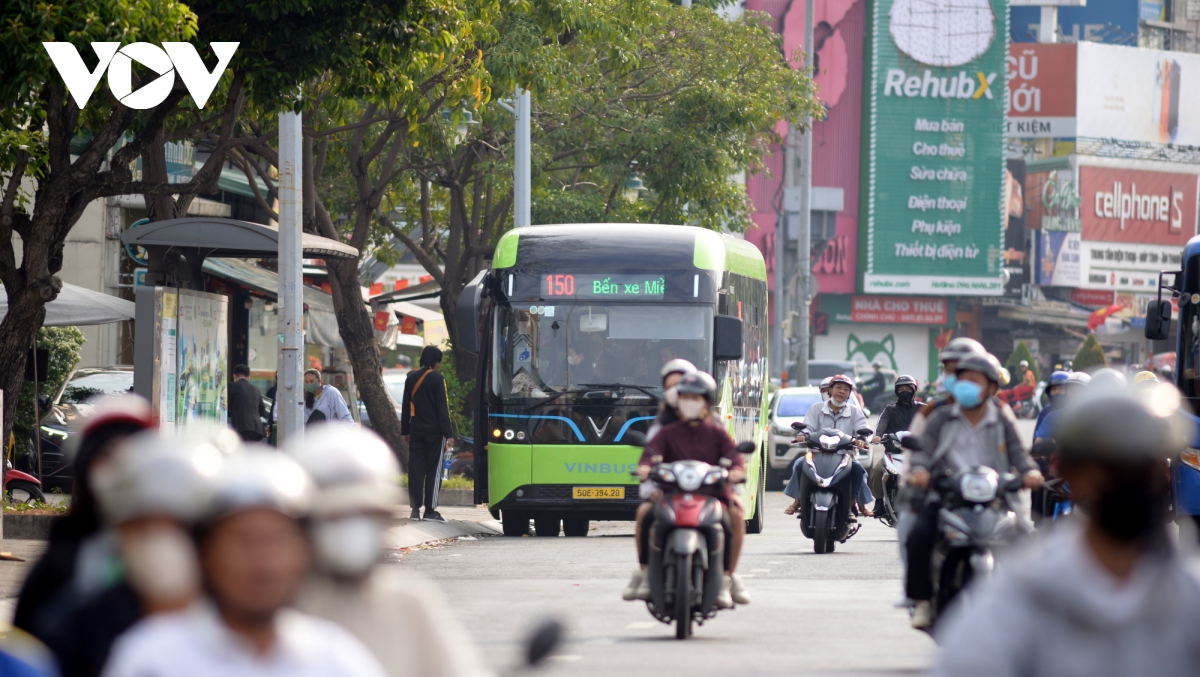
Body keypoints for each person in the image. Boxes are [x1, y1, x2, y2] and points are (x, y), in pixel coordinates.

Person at [934, 385, 1200, 677]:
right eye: (1113, 468)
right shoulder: (1023, 594)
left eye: (1143, 466)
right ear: (1074, 474)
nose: (1130, 481)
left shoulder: (1189, 596)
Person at [102, 451, 387, 677]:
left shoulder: (338, 660)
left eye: (277, 541)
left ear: (305, 554)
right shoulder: (152, 661)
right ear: (205, 554)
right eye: (241, 541)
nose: (262, 562)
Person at [290, 424, 489, 677]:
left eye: (364, 515)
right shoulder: (274, 607)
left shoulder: (407, 603)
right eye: (336, 517)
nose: (351, 530)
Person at [45, 430, 223, 677]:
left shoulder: (244, 615)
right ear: (120, 531)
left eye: (177, 525)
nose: (161, 540)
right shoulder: (77, 625)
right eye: (144, 526)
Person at [905, 353, 1044, 628]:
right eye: (962, 379)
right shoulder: (941, 417)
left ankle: (1032, 606)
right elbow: (923, 451)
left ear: (992, 387)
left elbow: (1018, 452)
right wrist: (920, 471)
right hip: (947, 494)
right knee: (918, 535)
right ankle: (920, 599)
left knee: (1027, 540)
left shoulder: (1002, 418)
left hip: (995, 497)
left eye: (974, 380)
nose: (966, 385)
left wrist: (1030, 472)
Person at [14, 396, 155, 642]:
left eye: (132, 456)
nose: (121, 470)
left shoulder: (187, 556)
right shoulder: (57, 564)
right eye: (108, 456)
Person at [623, 371, 750, 607]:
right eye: (685, 397)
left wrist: (735, 471)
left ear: (706, 402)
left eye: (696, 397)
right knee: (643, 514)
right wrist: (645, 468)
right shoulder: (666, 431)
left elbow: (735, 458)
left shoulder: (717, 432)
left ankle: (726, 577)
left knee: (736, 514)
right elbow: (650, 455)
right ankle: (645, 573)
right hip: (670, 493)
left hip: (713, 494)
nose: (689, 403)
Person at [782, 374, 873, 517]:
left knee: (858, 471)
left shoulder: (855, 411)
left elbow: (864, 430)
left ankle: (851, 504)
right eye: (838, 387)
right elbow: (807, 427)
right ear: (829, 390)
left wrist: (861, 439)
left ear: (849, 394)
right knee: (800, 464)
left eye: (845, 389)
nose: (841, 391)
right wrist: (803, 434)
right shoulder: (816, 409)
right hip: (816, 454)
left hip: (845, 456)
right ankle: (798, 501)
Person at [400, 345, 455, 523]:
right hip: (434, 433)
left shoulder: (411, 378)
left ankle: (415, 510)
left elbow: (406, 407)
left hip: (416, 431)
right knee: (433, 470)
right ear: (436, 361)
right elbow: (442, 409)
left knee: (416, 469)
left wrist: (405, 431)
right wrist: (449, 434)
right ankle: (430, 511)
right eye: (439, 361)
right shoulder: (438, 380)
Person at [869, 375, 922, 512]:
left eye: (908, 388)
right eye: (901, 389)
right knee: (876, 471)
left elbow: (933, 425)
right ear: (896, 391)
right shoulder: (890, 409)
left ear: (914, 390)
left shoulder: (923, 409)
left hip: (917, 453)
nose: (905, 391)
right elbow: (881, 424)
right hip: (893, 452)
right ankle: (879, 502)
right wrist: (877, 436)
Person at [228, 364, 267, 442]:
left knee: (241, 451)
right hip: (256, 429)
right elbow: (262, 410)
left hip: (241, 427)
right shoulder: (256, 389)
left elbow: (227, 405)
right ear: (248, 377)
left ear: (234, 375)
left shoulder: (231, 386)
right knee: (250, 451)